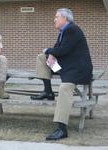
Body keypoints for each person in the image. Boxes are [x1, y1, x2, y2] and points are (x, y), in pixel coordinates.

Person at [31, 8, 93, 140]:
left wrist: (49, 50)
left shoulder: (72, 29)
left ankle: (62, 128)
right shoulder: (62, 32)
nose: (54, 19)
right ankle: (48, 92)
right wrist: (51, 53)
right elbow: (58, 49)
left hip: (78, 69)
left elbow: (63, 50)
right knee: (42, 57)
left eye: (57, 17)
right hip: (66, 65)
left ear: (65, 18)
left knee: (64, 88)